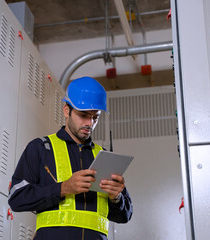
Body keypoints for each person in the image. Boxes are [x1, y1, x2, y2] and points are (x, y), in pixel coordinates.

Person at [8, 76, 133, 240]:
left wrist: (116, 198)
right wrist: (63, 188)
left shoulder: (103, 156)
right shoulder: (41, 148)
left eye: (95, 117)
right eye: (83, 115)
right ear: (66, 110)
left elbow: (125, 215)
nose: (90, 123)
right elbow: (17, 198)